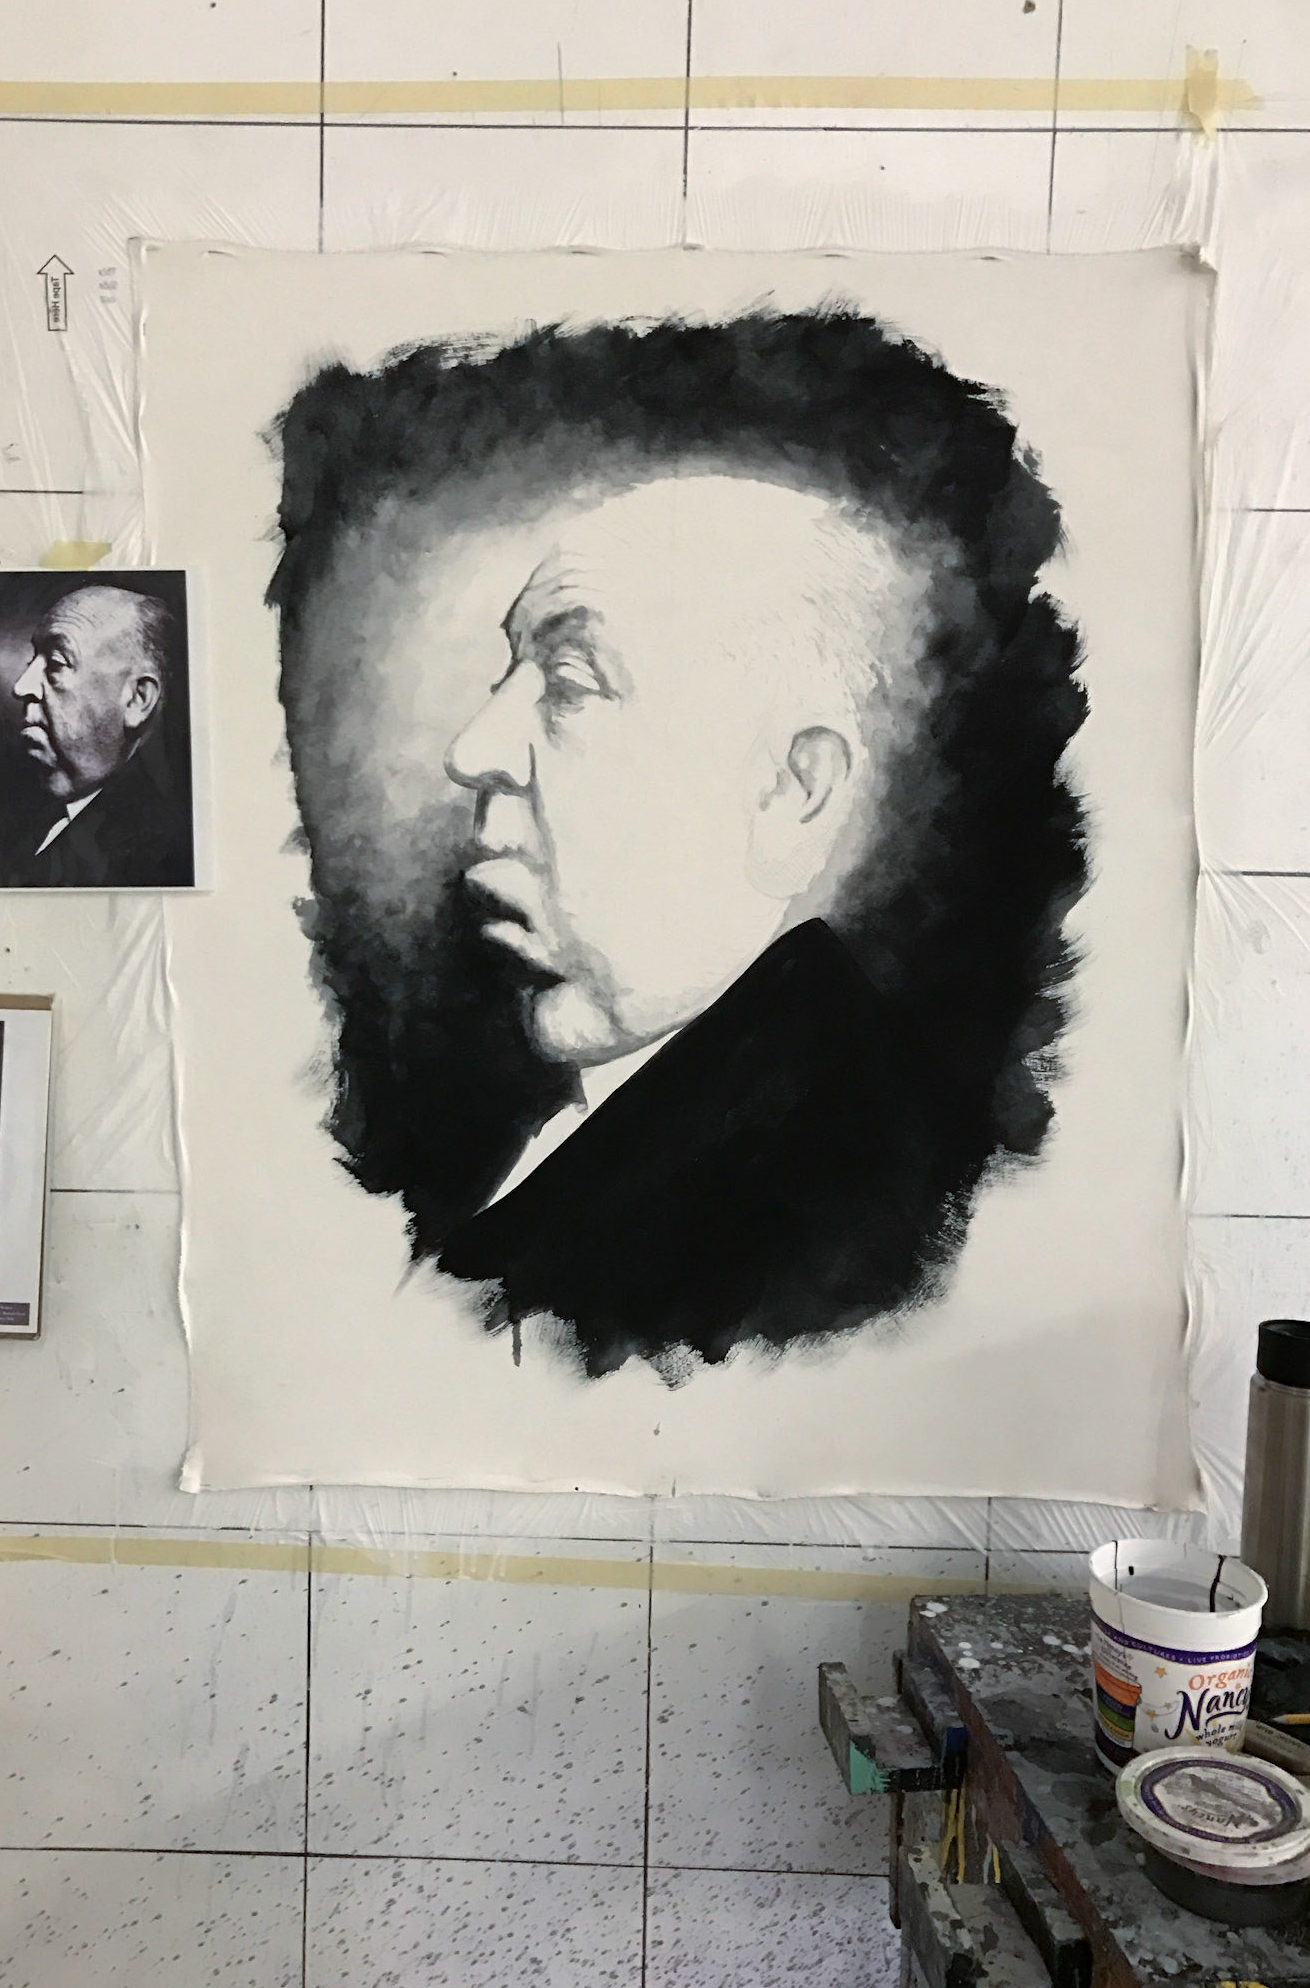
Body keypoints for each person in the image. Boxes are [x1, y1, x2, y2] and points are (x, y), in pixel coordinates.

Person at [267, 310, 1088, 1375]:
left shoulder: (822, 1215)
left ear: (792, 792)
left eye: (568, 682)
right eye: (510, 672)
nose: (474, 751)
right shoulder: (614, 1114)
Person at [0, 581, 194, 888]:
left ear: (137, 699)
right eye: (32, 661)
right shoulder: (8, 806)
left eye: (56, 663)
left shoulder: (158, 858)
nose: (21, 686)